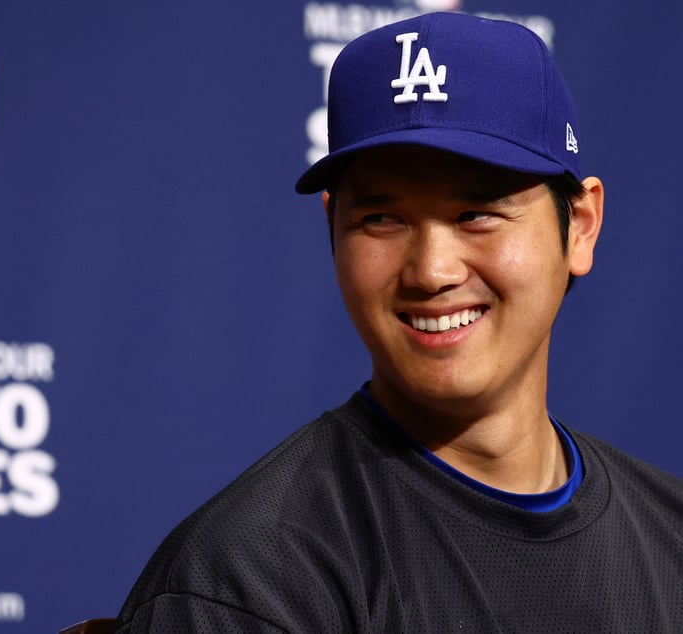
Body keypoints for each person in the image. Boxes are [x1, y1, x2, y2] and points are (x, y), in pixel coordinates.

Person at [114, 12, 683, 632]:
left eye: (477, 213)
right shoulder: (247, 580)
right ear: (332, 230)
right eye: (383, 219)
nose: (431, 271)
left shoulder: (670, 537)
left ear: (580, 226)